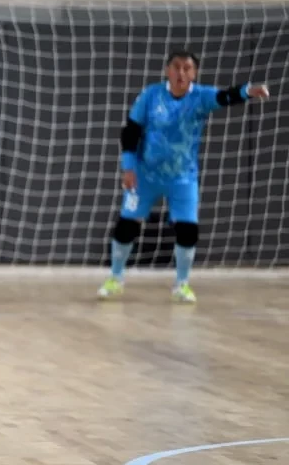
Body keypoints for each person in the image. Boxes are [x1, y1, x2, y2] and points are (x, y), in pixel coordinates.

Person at [98, 49, 271, 303]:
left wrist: (248, 91)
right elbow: (131, 132)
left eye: (187, 68)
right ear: (167, 70)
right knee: (127, 225)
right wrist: (128, 168)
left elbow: (225, 96)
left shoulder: (200, 96)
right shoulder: (151, 95)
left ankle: (182, 284)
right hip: (144, 175)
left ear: (194, 73)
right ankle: (115, 278)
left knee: (187, 230)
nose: (181, 73)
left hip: (183, 178)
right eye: (176, 67)